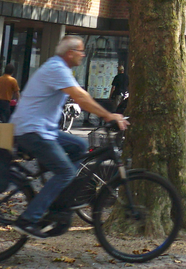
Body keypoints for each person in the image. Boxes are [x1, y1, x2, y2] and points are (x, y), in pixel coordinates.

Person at [10, 35, 128, 238]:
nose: (83, 55)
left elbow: (82, 94)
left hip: (44, 130)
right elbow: (80, 97)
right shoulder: (57, 68)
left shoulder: (62, 69)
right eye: (81, 51)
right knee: (65, 172)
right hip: (32, 130)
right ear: (70, 53)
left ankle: (59, 198)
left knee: (79, 147)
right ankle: (28, 219)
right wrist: (108, 115)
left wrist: (107, 111)